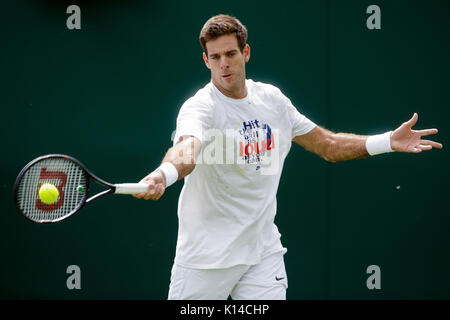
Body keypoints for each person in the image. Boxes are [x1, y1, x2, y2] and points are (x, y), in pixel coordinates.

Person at [133, 14, 442, 300]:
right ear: (206, 60)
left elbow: (328, 145)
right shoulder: (200, 107)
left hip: (261, 254)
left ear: (246, 53)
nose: (224, 64)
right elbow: (187, 149)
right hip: (205, 260)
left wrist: (388, 140)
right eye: (215, 57)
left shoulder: (272, 101)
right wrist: (164, 174)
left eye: (231, 54)